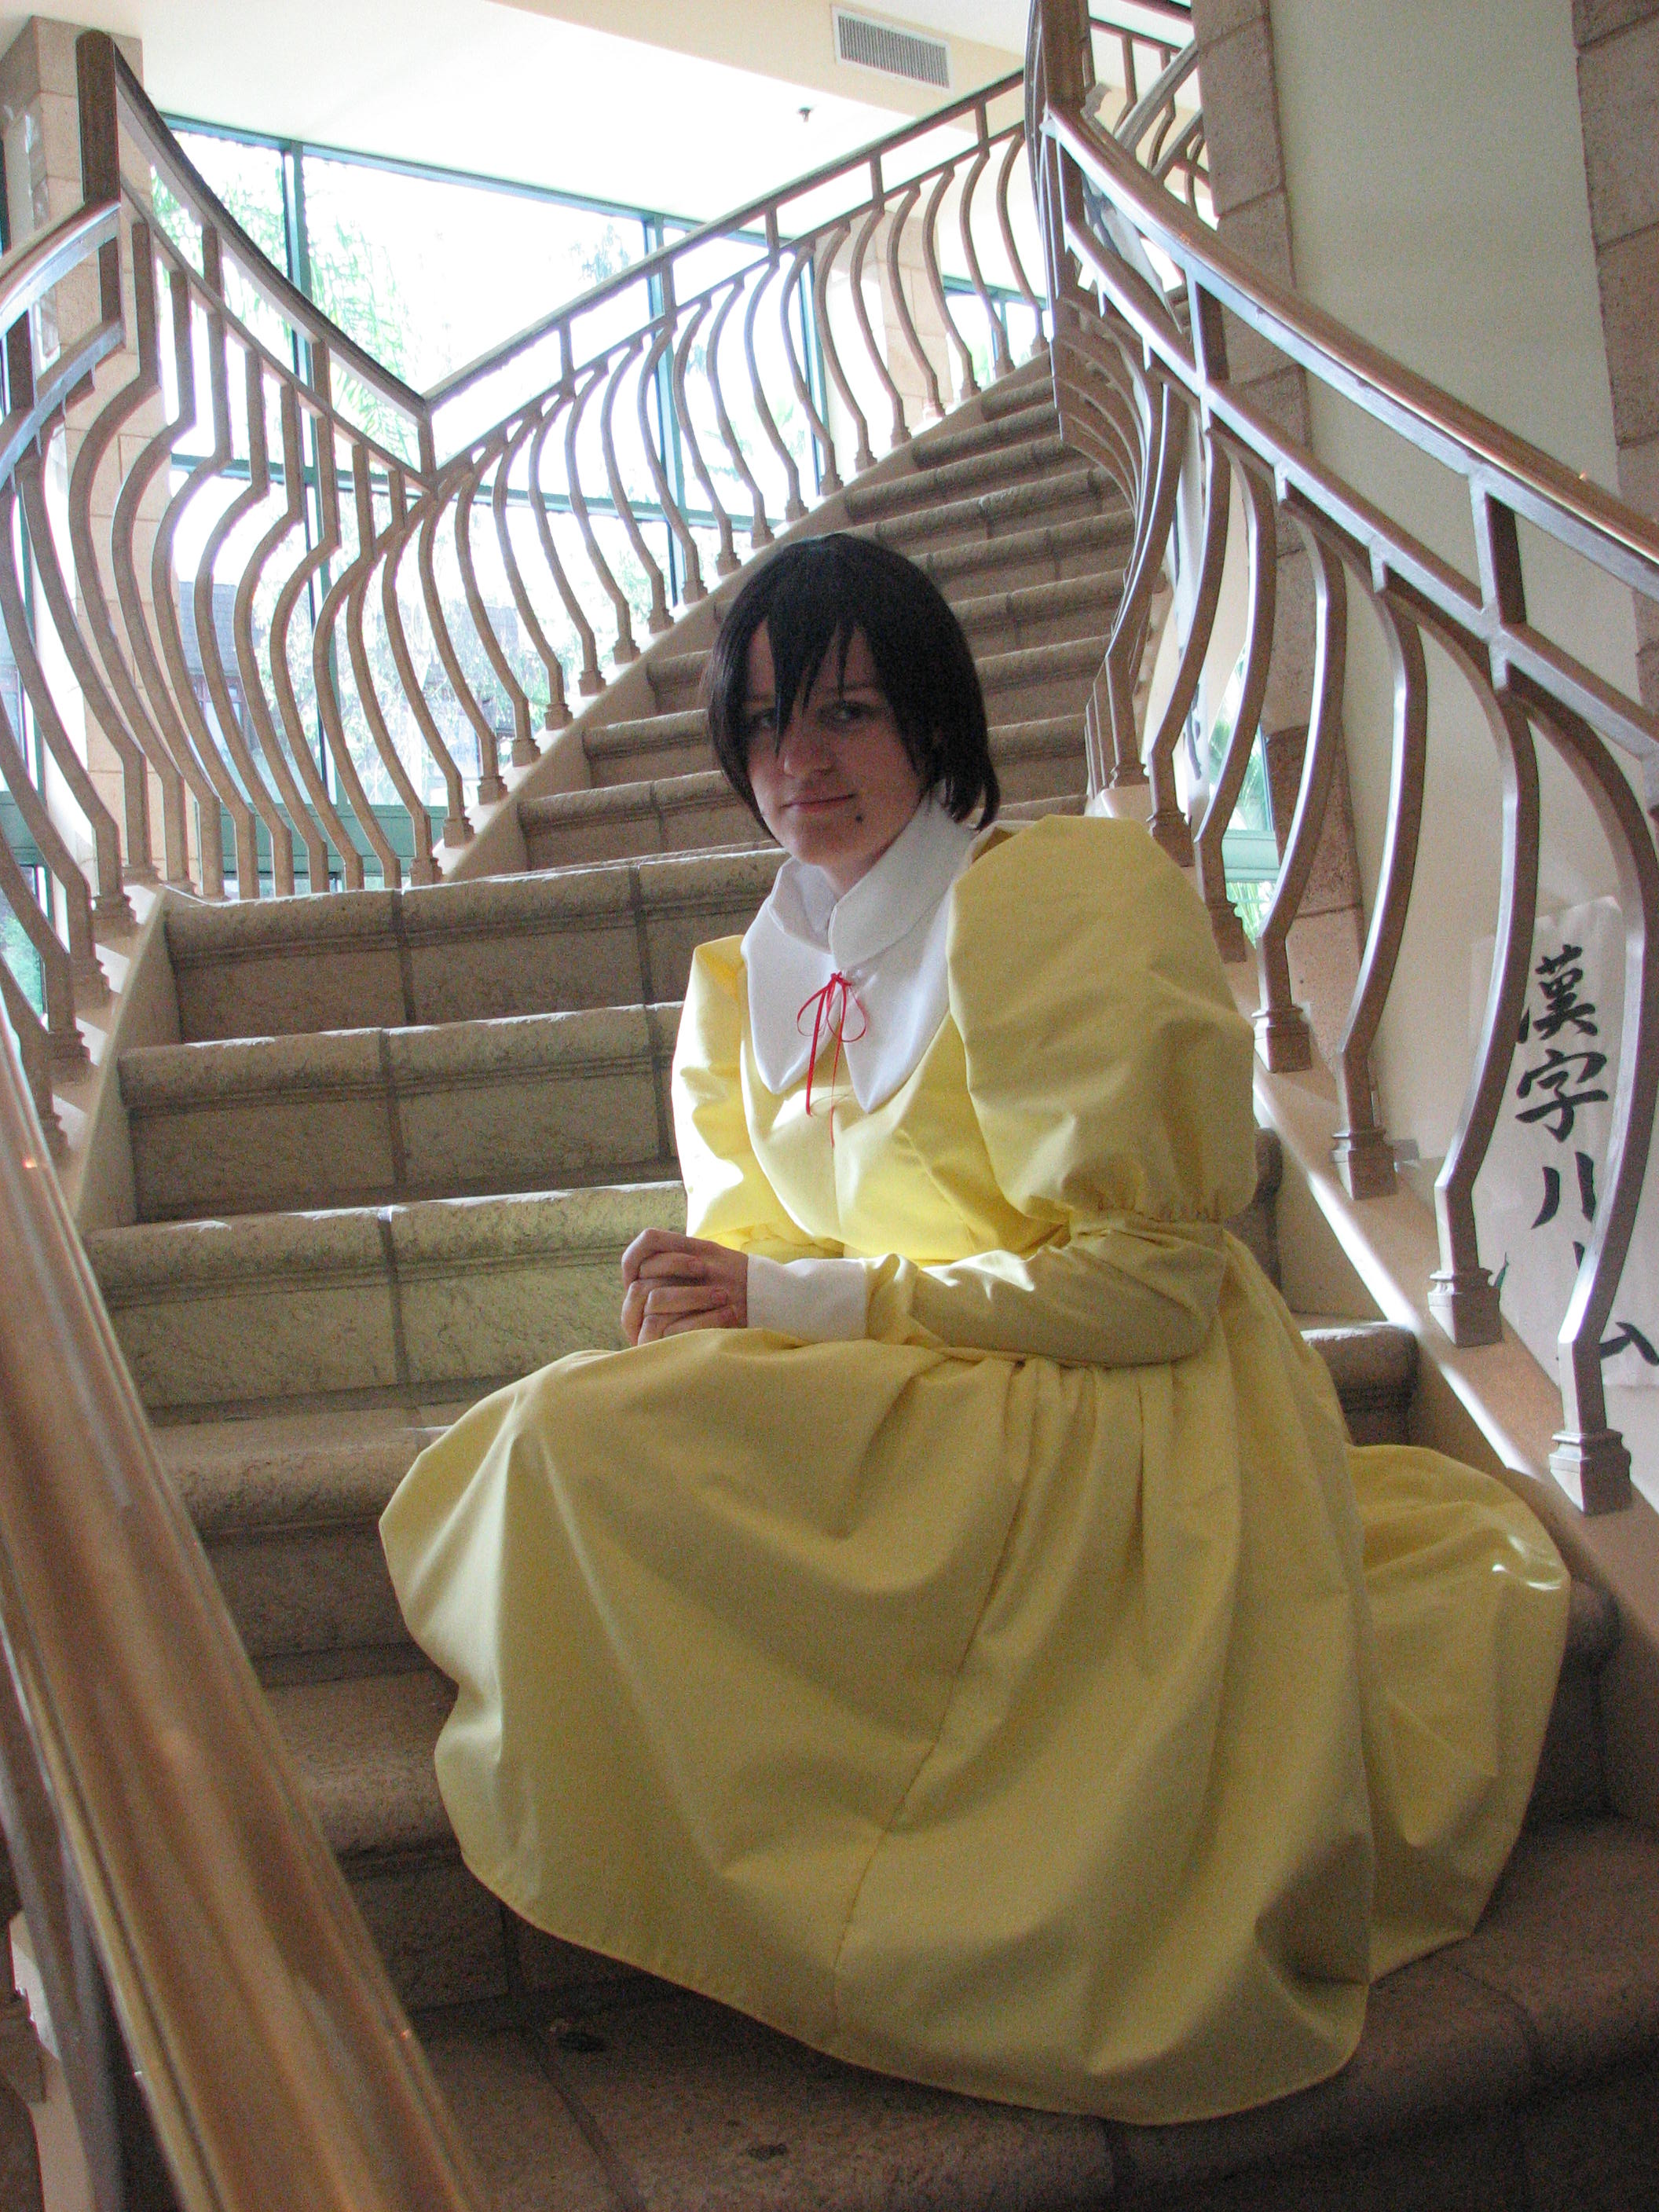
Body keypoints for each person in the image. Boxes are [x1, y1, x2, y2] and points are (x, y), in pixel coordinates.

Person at [380, 534, 1569, 2126]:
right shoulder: (749, 979)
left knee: (564, 1443)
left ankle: (875, 1894)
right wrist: (704, 1301)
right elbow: (770, 1253)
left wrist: (808, 1300)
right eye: (763, 724)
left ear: (935, 720)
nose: (799, 764)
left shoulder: (1056, 901)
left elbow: (1148, 1291)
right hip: (920, 1374)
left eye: (848, 713)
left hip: (1112, 1405)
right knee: (558, 1437)